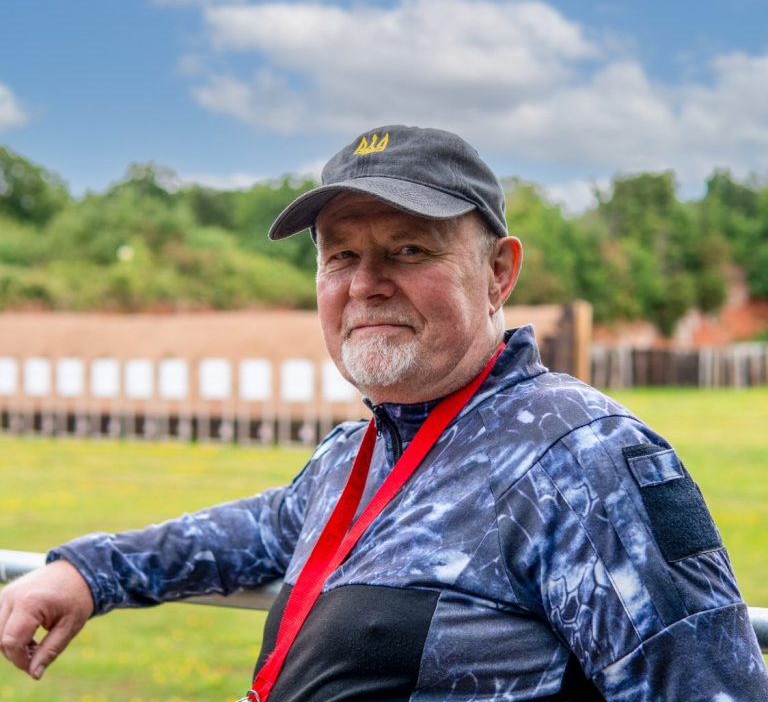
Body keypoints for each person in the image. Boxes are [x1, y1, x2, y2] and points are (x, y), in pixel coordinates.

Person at [0, 125, 766, 701]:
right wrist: (87, 571)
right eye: (340, 255)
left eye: (409, 250)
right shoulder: (359, 454)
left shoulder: (581, 456)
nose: (365, 283)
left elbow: (709, 685)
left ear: (498, 273)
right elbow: (249, 532)